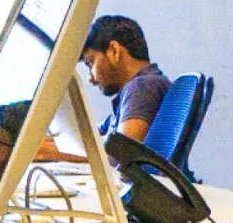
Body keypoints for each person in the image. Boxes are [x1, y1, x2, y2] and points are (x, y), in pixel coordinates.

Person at [38, 15, 171, 163]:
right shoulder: (140, 89)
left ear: (114, 50)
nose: (90, 78)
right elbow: (89, 137)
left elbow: (121, 153)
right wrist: (47, 143)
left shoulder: (143, 87)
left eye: (90, 63)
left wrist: (50, 152)